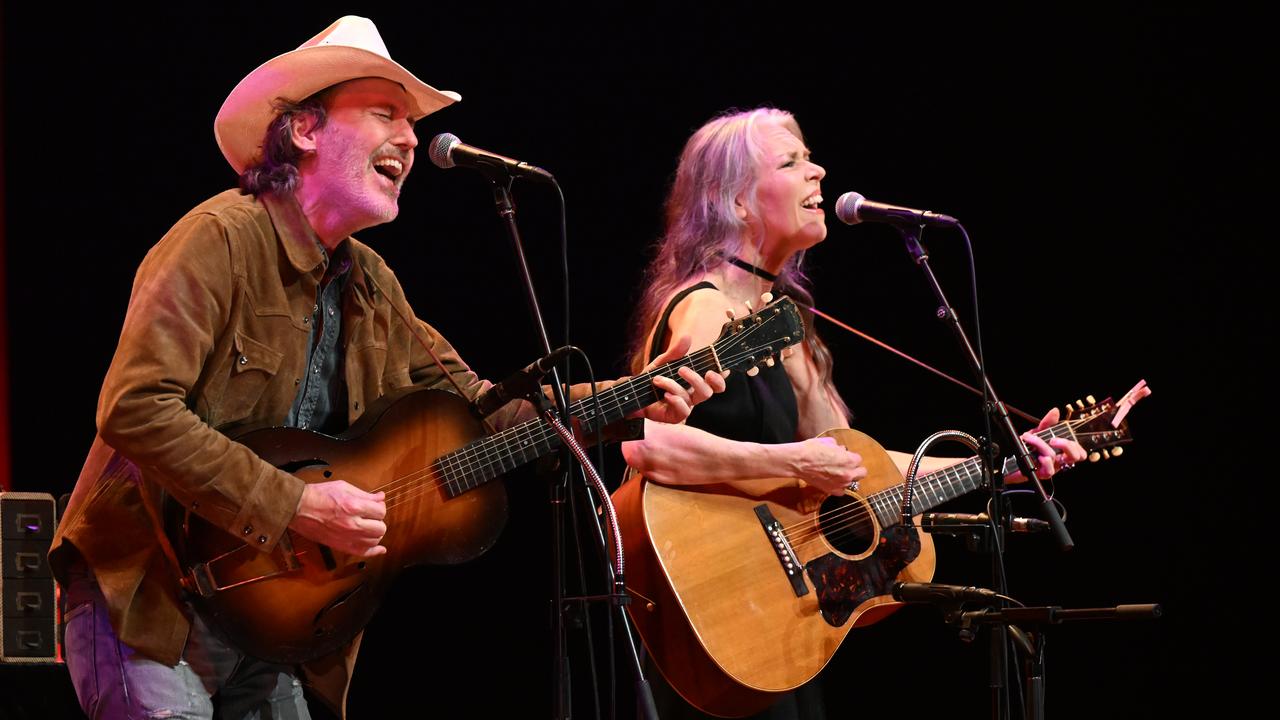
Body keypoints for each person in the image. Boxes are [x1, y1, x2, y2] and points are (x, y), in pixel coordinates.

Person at [47, 16, 721, 720]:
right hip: (150, 594)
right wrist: (297, 505)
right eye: (385, 112)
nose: (409, 137)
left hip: (278, 613)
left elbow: (483, 409)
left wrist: (638, 394)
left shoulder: (371, 283)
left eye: (409, 120)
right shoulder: (219, 239)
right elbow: (135, 409)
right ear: (305, 131)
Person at [618, 107, 1086, 719]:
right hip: (714, 602)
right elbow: (646, 447)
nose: (818, 170)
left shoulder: (784, 321)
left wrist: (1001, 463)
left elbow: (851, 466)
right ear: (732, 202)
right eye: (791, 162)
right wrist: (792, 461)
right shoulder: (706, 310)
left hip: (774, 621)